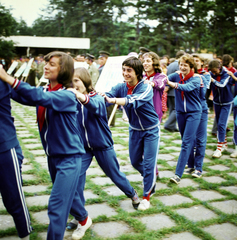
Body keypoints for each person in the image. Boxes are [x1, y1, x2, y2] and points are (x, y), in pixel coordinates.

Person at [0, 51, 85, 240]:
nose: (46, 66)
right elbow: (23, 95)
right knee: (69, 200)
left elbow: (39, 97)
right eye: (46, 63)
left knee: (56, 206)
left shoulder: (68, 95)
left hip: (70, 159)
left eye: (52, 64)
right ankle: (84, 219)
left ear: (63, 70)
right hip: (53, 158)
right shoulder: (46, 91)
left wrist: (7, 77)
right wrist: (5, 83)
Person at [66, 67, 140, 239]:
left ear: (85, 81)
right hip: (83, 148)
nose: (73, 85)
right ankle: (79, 216)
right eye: (71, 82)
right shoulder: (73, 100)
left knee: (114, 174)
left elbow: (94, 106)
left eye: (76, 81)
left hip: (102, 146)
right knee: (75, 179)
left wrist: (79, 96)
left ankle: (133, 195)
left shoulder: (97, 98)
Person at [101, 56, 160, 210]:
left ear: (138, 72)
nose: (125, 73)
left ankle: (146, 196)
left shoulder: (145, 87)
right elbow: (109, 94)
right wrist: (98, 96)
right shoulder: (121, 86)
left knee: (148, 164)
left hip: (151, 130)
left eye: (129, 70)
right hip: (134, 130)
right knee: (134, 162)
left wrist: (113, 101)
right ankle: (152, 176)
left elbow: (132, 100)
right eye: (124, 70)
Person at [0, 72, 32, 240]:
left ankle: (24, 234)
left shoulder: (1, 80)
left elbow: (32, 97)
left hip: (4, 147)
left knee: (13, 198)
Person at [166, 54, 202, 184]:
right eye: (181, 65)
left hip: (194, 113)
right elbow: (164, 79)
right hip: (180, 113)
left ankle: (177, 175)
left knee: (186, 143)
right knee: (187, 140)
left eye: (185, 65)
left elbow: (185, 88)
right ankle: (191, 166)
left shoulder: (196, 79)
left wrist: (172, 84)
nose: (182, 67)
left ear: (191, 67)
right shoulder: (176, 75)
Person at [184, 54, 211, 178]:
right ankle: (190, 166)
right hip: (188, 111)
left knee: (200, 139)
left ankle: (198, 168)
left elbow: (203, 94)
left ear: (201, 63)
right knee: (189, 139)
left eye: (196, 61)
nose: (194, 63)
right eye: (192, 61)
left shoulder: (204, 76)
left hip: (201, 110)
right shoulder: (185, 76)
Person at [209, 59, 234, 158]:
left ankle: (219, 148)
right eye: (212, 71)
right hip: (216, 102)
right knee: (221, 124)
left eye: (215, 71)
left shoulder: (227, 74)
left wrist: (213, 80)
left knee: (221, 124)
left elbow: (222, 85)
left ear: (220, 68)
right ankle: (225, 144)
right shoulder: (211, 73)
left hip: (226, 103)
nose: (213, 73)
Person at [142, 51, 168, 121]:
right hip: (141, 111)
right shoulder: (141, 77)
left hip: (154, 112)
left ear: (154, 62)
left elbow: (160, 84)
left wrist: (152, 83)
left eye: (148, 61)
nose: (145, 63)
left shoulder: (161, 76)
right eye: (144, 61)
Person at [164, 50, 185, 132]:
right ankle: (168, 124)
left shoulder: (171, 64)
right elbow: (178, 78)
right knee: (177, 109)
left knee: (172, 109)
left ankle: (172, 126)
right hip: (175, 90)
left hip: (169, 90)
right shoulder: (178, 65)